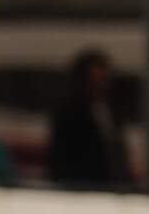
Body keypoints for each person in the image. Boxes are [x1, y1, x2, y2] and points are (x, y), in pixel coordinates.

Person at [47, 48, 133, 187]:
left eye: (103, 79)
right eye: (94, 80)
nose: (100, 85)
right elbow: (61, 162)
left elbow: (118, 154)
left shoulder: (111, 110)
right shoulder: (69, 115)